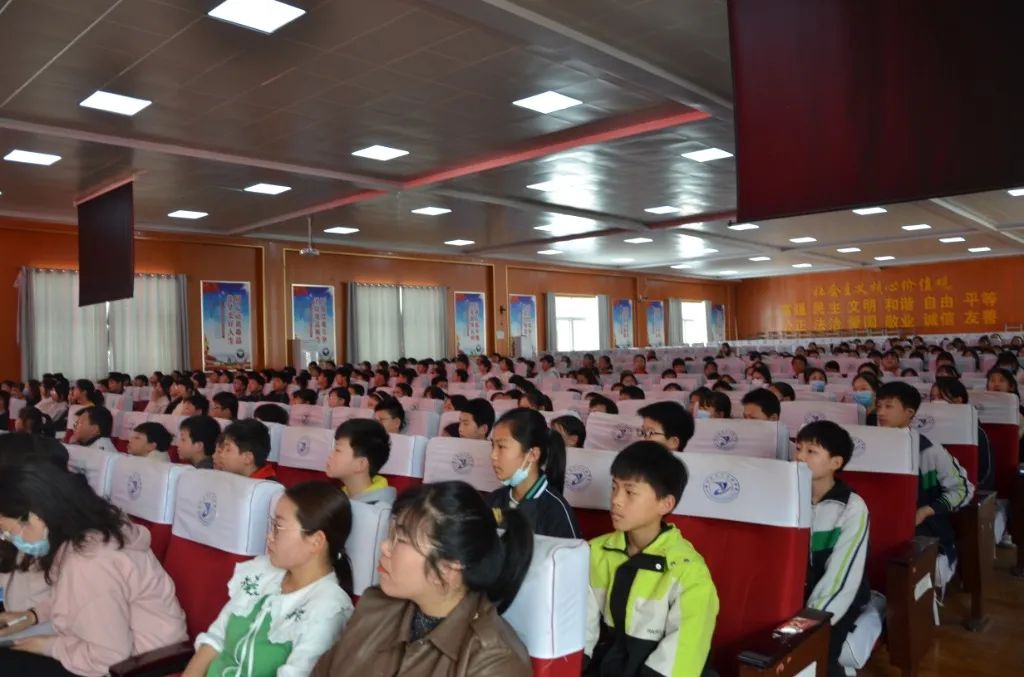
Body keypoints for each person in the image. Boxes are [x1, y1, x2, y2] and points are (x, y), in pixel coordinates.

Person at [312, 481, 532, 677]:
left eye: (400, 539)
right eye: (390, 535)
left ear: (449, 567)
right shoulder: (376, 605)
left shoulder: (494, 661)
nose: (385, 547)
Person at [0, 462, 187, 676]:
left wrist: (46, 645)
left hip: (140, 666)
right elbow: (77, 599)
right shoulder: (88, 536)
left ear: (35, 518)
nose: (9, 539)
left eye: (6, 531)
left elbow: (109, 657)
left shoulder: (89, 562)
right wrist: (32, 616)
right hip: (116, 649)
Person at [184, 482, 354, 677]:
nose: (269, 536)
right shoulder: (263, 572)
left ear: (316, 541)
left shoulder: (328, 610)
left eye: (278, 527)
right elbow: (216, 639)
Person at [585, 442, 718, 677]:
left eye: (630, 492)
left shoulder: (688, 571)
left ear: (665, 504)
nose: (616, 500)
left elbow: (684, 653)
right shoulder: (596, 551)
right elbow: (580, 628)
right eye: (614, 487)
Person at [793, 421, 870, 676]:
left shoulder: (852, 508)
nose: (799, 457)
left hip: (836, 603)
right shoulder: (786, 497)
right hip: (795, 596)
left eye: (811, 451)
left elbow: (841, 578)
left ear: (835, 462)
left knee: (817, 660)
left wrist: (809, 622)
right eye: (798, 449)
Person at [876, 382, 973, 578]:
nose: (881, 412)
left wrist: (926, 511)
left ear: (909, 413)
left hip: (926, 533)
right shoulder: (869, 447)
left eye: (888, 406)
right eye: (878, 406)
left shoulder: (929, 451)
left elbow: (963, 490)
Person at [486, 408, 580, 539]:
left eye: (501, 446)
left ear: (532, 454)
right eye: (493, 446)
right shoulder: (493, 500)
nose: (493, 455)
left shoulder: (556, 511)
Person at [326, 419, 396, 505]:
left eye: (338, 450)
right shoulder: (341, 497)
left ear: (360, 464)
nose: (330, 455)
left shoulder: (379, 509)